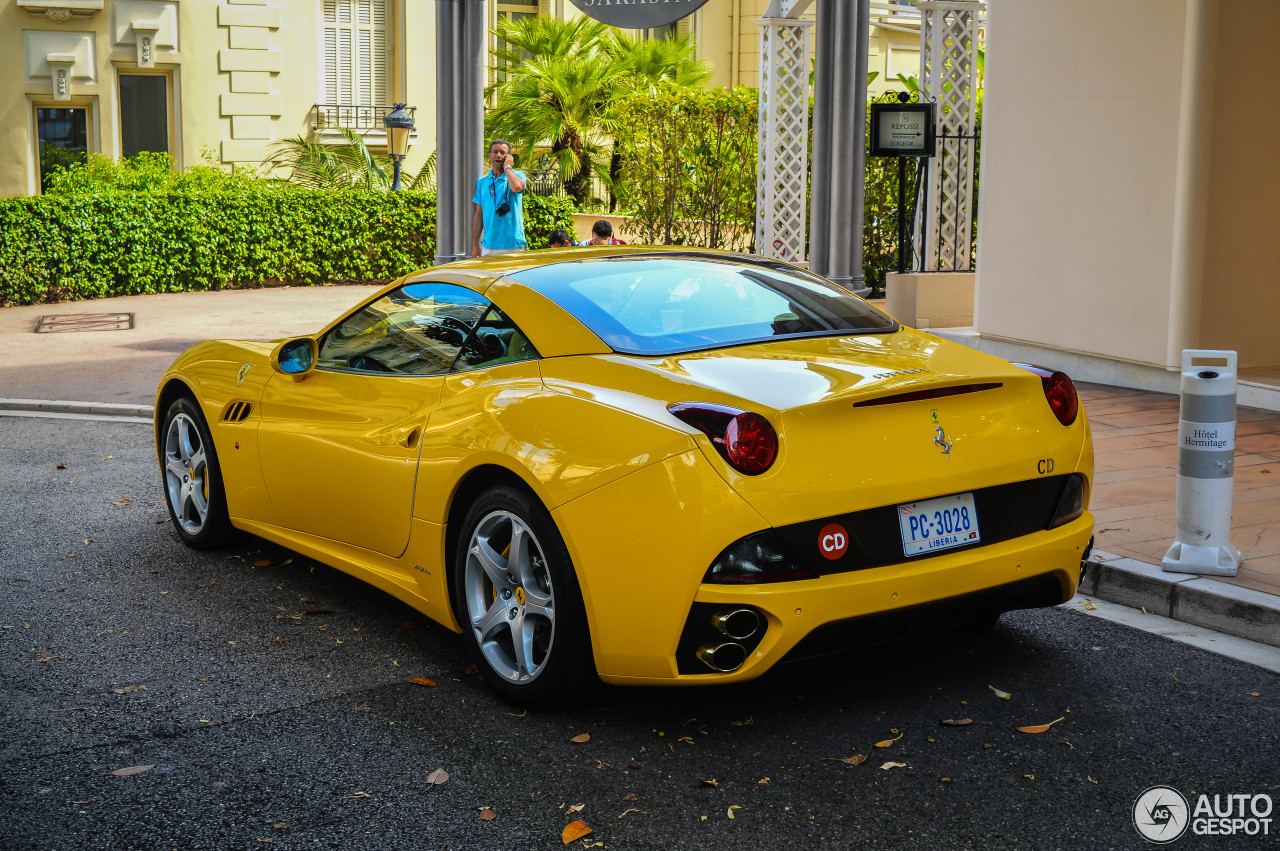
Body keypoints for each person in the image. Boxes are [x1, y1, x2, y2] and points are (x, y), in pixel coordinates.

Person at [471, 139, 527, 257]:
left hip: (513, 245)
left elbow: (517, 187)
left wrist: (507, 168)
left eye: (503, 153)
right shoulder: (482, 182)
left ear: (509, 157)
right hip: (488, 247)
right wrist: (475, 245)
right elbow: (478, 214)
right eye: (495, 152)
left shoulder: (518, 175)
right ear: (490, 156)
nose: (499, 155)